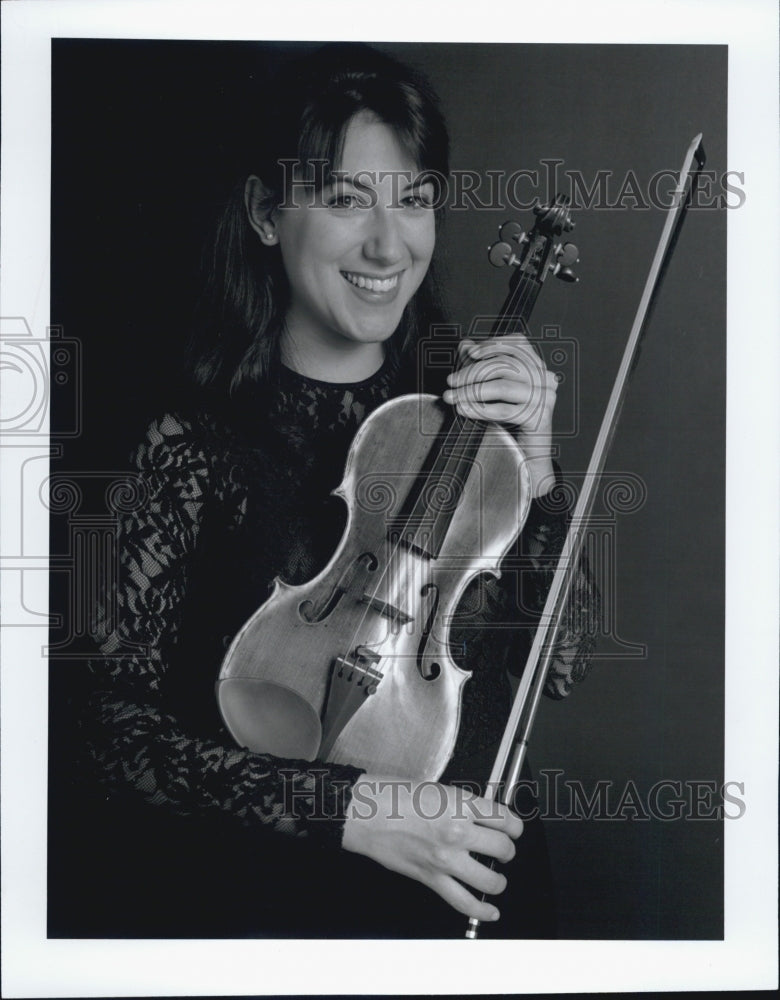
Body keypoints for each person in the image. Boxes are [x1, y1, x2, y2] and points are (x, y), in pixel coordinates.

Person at [61, 42, 598, 939]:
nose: (389, 244)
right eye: (348, 199)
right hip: (277, 908)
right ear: (267, 214)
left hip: (478, 889)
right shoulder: (185, 444)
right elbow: (102, 741)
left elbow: (561, 663)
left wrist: (537, 464)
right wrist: (349, 809)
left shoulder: (475, 428)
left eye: (414, 200)